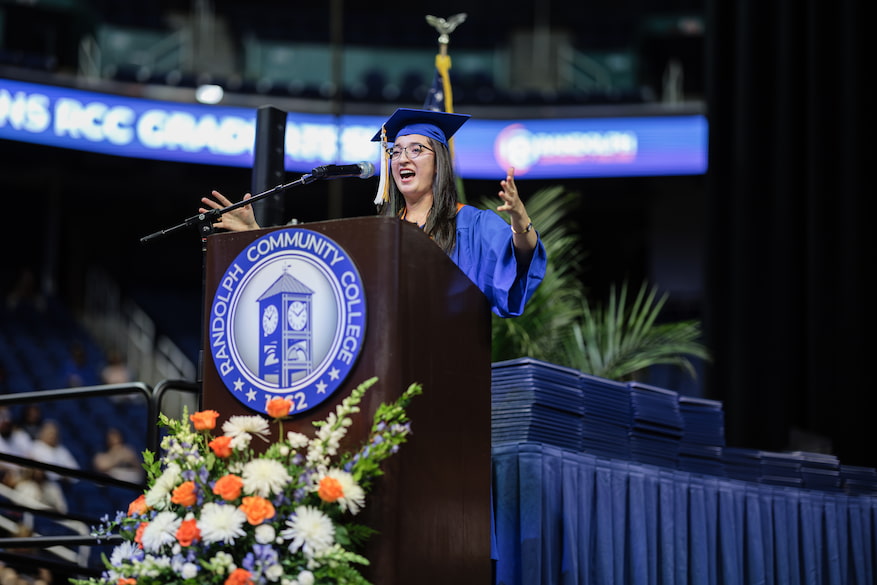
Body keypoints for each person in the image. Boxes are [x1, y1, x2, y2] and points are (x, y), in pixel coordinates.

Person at [200, 108, 547, 317]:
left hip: (446, 362)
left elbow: (519, 259)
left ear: (439, 163)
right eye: (395, 152)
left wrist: (519, 221)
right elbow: (322, 284)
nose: (403, 158)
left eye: (416, 150)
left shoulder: (471, 223)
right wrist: (255, 231)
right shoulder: (380, 235)